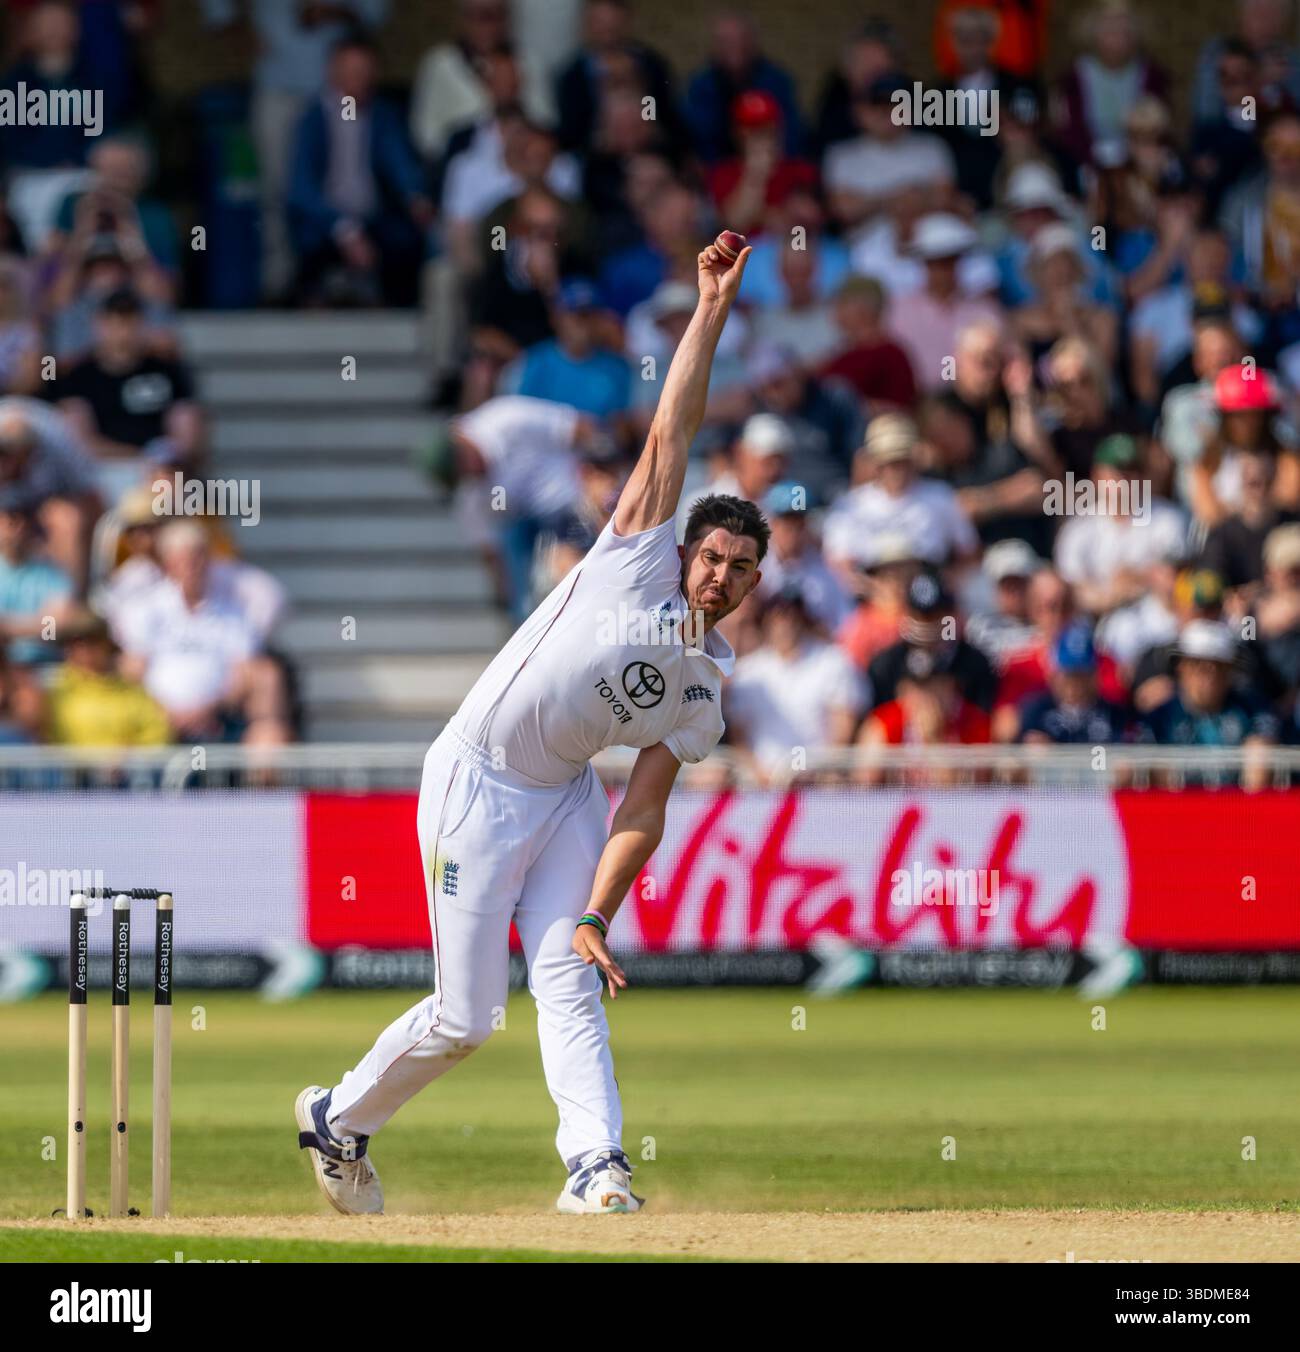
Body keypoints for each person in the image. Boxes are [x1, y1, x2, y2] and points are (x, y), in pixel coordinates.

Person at [296, 237, 760, 1216]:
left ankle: (596, 1166)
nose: (720, 575)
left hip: (566, 796)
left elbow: (644, 806)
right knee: (466, 1020)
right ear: (685, 551)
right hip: (476, 778)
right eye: (712, 556)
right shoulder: (631, 558)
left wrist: (598, 912)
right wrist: (711, 307)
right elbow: (672, 427)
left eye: (740, 568)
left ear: (754, 583)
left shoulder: (704, 692)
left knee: (570, 978)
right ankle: (337, 1117)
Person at [727, 588, 866, 781]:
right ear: (766, 621)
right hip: (758, 782)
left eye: (792, 616)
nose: (785, 624)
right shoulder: (747, 671)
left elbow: (843, 727)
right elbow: (739, 735)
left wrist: (814, 771)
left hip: (819, 779)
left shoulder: (833, 661)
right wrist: (762, 776)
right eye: (777, 617)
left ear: (803, 619)